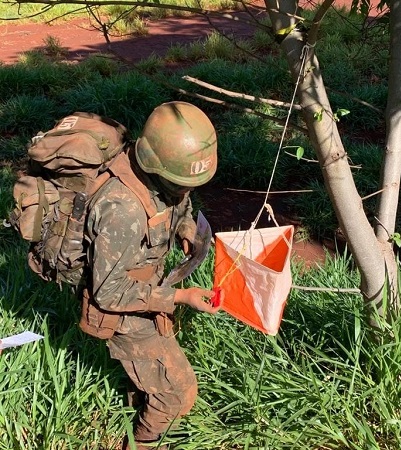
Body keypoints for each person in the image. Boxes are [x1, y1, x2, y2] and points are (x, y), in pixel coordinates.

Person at [80, 101, 221, 450]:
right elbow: (108, 293)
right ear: (152, 164)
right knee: (177, 396)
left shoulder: (162, 176)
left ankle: (141, 401)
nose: (185, 191)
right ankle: (141, 443)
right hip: (121, 312)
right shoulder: (122, 210)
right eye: (178, 183)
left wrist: (185, 227)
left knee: (158, 381)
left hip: (145, 289)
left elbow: (177, 203)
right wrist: (180, 297)